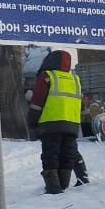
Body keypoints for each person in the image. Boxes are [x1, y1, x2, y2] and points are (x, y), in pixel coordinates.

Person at [28, 49, 83, 194]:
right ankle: (63, 185)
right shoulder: (75, 79)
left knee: (51, 155)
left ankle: (53, 189)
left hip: (51, 124)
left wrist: (32, 120)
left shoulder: (47, 76)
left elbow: (37, 101)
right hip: (72, 124)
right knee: (67, 155)